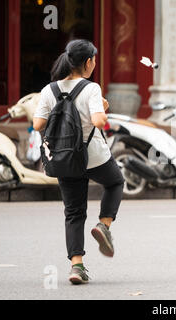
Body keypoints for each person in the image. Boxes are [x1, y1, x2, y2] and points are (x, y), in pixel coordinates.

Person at [33, 39, 125, 284]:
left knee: (73, 212)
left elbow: (37, 125)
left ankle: (77, 267)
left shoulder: (49, 90)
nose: (94, 64)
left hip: (64, 156)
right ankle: (104, 224)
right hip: (93, 155)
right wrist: (103, 108)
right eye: (94, 60)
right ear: (88, 62)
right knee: (115, 182)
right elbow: (98, 122)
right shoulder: (91, 88)